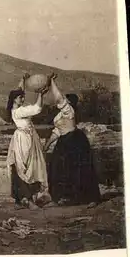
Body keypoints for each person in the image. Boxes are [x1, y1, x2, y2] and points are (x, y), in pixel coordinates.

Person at [43, 75, 101, 208]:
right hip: (64, 141)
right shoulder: (60, 115)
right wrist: (47, 144)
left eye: (65, 101)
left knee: (81, 169)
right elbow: (57, 131)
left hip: (75, 141)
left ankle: (91, 198)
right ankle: (60, 198)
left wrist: (52, 82)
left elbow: (58, 98)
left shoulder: (69, 110)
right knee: (57, 168)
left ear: (69, 103)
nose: (62, 102)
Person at [6, 74, 51, 210]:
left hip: (29, 139)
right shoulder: (18, 112)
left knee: (29, 168)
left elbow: (19, 90)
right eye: (21, 97)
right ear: (15, 100)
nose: (23, 99)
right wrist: (40, 95)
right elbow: (37, 109)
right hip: (23, 141)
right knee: (24, 169)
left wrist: (23, 81)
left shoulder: (17, 108)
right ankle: (27, 200)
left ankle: (22, 200)